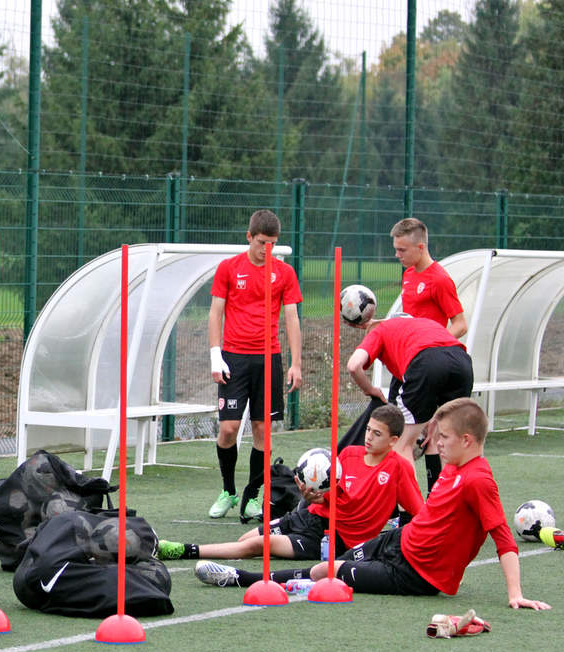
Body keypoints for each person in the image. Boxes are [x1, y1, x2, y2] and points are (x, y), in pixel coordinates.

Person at [193, 399, 551, 611]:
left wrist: (515, 594)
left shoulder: (478, 479)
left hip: (414, 575)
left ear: (468, 440)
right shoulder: (454, 467)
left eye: (443, 438)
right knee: (331, 565)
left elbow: (502, 536)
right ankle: (275, 578)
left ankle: (245, 579)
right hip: (396, 543)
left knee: (326, 572)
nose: (435, 444)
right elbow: (426, 517)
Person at [158, 404, 422, 561]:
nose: (368, 437)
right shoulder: (350, 455)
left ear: (393, 441)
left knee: (257, 546)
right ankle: (188, 551)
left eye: (377, 434)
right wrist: (313, 497)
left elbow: (419, 513)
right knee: (246, 538)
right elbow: (333, 496)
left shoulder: (399, 469)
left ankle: (185, 551)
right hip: (310, 519)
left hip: (333, 539)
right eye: (368, 430)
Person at [208, 209, 303, 523]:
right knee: (228, 430)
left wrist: (295, 363)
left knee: (262, 430)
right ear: (249, 237)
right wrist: (215, 355)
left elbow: (291, 318)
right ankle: (228, 490)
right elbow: (215, 313)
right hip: (234, 358)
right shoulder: (229, 268)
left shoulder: (284, 274)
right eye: (262, 242)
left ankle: (252, 497)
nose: (267, 248)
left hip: (269, 359)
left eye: (273, 243)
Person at [346, 313, 473, 486]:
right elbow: (442, 359)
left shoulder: (382, 330)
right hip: (462, 361)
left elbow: (353, 366)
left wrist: (370, 390)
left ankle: (408, 511)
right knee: (447, 440)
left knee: (402, 444)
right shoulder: (426, 323)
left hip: (424, 361)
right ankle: (443, 501)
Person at [390, 217, 468, 475]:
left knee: (428, 434)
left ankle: (431, 499)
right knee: (399, 429)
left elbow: (460, 323)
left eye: (402, 250)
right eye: (396, 248)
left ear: (420, 247)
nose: (397, 254)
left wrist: (434, 348)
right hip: (406, 363)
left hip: (427, 366)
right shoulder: (409, 275)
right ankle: (406, 502)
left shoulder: (440, 279)